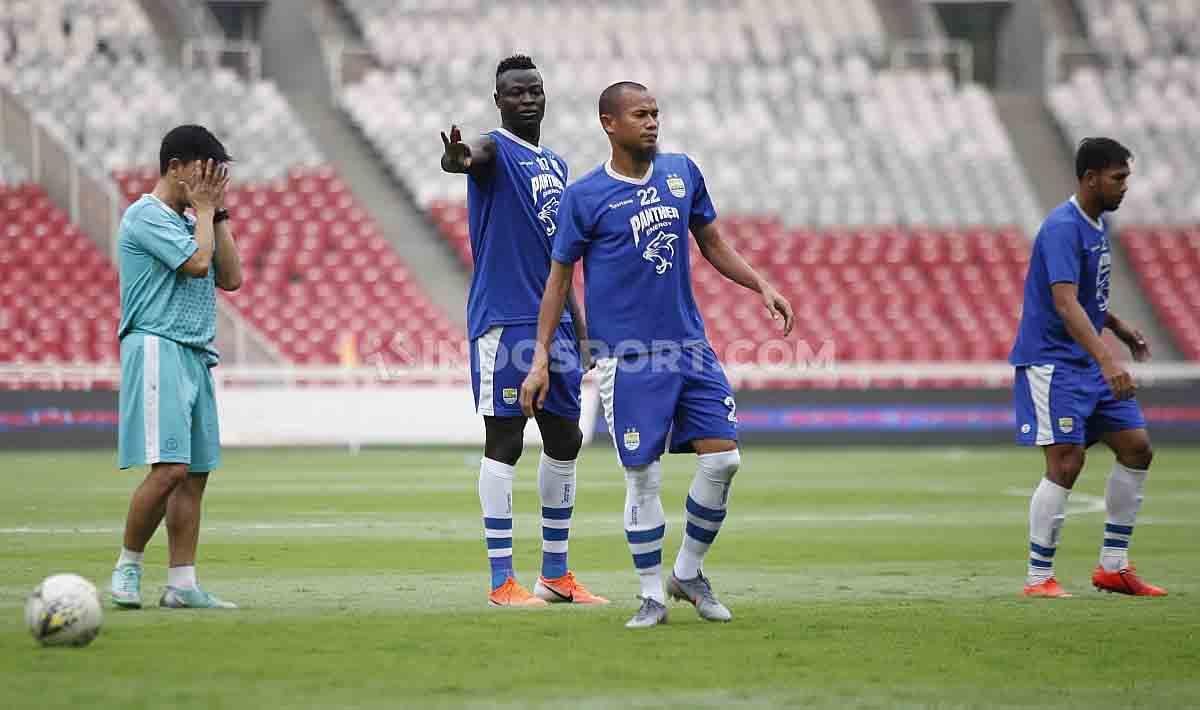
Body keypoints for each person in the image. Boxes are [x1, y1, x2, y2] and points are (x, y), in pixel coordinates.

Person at [520, 82, 794, 628]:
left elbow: (712, 242)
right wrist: (540, 357)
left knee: (724, 459)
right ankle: (651, 595)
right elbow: (557, 283)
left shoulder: (682, 173)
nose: (652, 122)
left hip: (691, 346)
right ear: (609, 123)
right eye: (640, 114)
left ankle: (687, 573)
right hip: (628, 358)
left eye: (656, 113)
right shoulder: (585, 196)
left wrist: (760, 285)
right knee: (643, 478)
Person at [440, 55, 606, 607]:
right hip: (505, 320)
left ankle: (555, 575)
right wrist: (458, 157)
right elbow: (471, 158)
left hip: (554, 325)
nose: (527, 99)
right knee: (506, 442)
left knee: (566, 438)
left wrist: (581, 331)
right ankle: (500, 582)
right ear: (498, 101)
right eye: (515, 93)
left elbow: (562, 262)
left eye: (534, 90)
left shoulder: (557, 166)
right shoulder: (494, 151)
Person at [1010, 137, 1165, 598]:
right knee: (1066, 461)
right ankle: (1039, 578)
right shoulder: (1062, 227)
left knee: (1137, 448)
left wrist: (1115, 324)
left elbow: (1084, 295)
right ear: (1090, 178)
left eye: (1126, 178)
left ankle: (1113, 566)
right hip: (1054, 364)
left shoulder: (1096, 226)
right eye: (1118, 179)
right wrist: (1107, 360)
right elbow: (1063, 302)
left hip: (1086, 360)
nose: (1124, 188)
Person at [110, 125, 242, 609]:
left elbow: (231, 277)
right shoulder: (145, 217)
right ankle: (127, 566)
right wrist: (205, 213)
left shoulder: (197, 220)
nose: (211, 179)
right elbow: (196, 263)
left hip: (194, 352)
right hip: (157, 346)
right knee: (168, 470)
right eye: (203, 169)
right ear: (175, 168)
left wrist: (217, 212)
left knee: (195, 474)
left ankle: (182, 584)